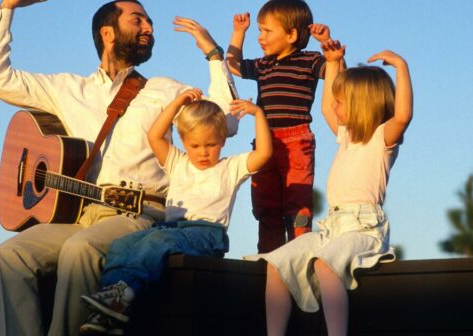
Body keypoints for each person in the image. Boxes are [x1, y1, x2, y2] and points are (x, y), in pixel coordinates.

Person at [0, 0, 238, 335]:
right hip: (83, 215)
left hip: (142, 214)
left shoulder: (164, 89)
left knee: (80, 249)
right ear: (107, 33)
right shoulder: (68, 89)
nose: (149, 28)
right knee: (8, 256)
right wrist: (7, 8)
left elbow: (225, 121)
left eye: (149, 22)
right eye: (138, 20)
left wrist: (214, 55)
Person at [78, 90, 272, 334]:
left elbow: (264, 153)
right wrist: (177, 103)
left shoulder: (230, 167)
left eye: (211, 145)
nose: (203, 152)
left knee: (159, 241)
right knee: (122, 245)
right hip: (172, 228)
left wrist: (258, 114)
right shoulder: (177, 162)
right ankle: (111, 308)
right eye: (195, 145)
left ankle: (123, 292)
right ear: (182, 140)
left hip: (206, 233)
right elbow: (154, 135)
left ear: (223, 139)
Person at [258, 39, 413, 336]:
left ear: (360, 104)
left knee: (325, 265)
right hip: (332, 228)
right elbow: (328, 108)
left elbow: (403, 116)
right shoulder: (346, 137)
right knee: (277, 262)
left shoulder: (382, 139)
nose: (334, 105)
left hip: (363, 229)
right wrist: (331, 63)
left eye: (342, 101)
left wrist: (401, 67)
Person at [226, 0, 336, 253]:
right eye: (259, 30)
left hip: (297, 139)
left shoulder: (310, 60)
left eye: (267, 30)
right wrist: (238, 33)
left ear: (291, 34)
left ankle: (299, 254)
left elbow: (337, 80)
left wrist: (330, 51)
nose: (261, 37)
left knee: (297, 204)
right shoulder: (263, 65)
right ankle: (269, 258)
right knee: (266, 204)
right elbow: (232, 65)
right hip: (265, 143)